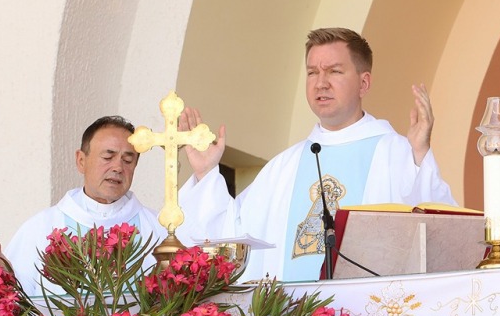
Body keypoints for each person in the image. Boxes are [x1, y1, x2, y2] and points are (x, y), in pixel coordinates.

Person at [179, 27, 456, 281]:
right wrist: (205, 175)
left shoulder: (396, 154)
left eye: (334, 71)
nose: (321, 83)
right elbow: (231, 235)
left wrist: (420, 154)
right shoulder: (283, 167)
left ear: (364, 83)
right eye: (312, 72)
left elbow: (439, 234)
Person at [0, 116, 187, 297]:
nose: (118, 167)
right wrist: (4, 273)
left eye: (128, 160)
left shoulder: (158, 229)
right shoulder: (42, 227)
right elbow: (22, 307)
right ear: (81, 161)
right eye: (108, 156)